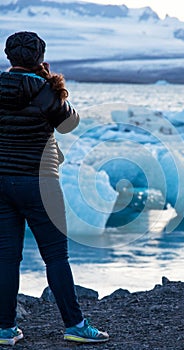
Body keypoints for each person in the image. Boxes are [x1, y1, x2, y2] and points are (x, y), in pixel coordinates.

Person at [0, 31, 109, 346]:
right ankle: (75, 325)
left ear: (9, 57)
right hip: (40, 183)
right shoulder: (44, 90)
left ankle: (5, 329)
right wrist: (52, 85)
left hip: (2, 182)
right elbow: (69, 123)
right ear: (38, 58)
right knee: (56, 256)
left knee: (7, 257)